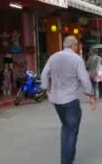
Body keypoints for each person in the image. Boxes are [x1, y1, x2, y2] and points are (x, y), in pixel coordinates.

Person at [41, 35, 96, 164]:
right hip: (70, 99)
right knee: (71, 130)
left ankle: (68, 157)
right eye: (77, 46)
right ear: (74, 45)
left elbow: (44, 74)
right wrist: (91, 95)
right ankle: (66, 160)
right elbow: (84, 79)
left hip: (57, 101)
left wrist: (47, 90)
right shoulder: (76, 59)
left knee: (66, 128)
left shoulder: (53, 57)